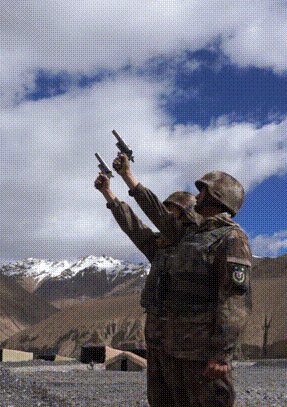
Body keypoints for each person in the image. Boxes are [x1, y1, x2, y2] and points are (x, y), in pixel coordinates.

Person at [112, 152, 252, 407]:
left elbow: (234, 301)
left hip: (201, 351)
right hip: (173, 346)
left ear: (217, 196)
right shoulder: (190, 237)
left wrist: (221, 353)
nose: (197, 195)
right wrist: (127, 178)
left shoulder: (231, 239)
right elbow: (154, 216)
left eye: (203, 191)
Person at [94, 171, 197, 406]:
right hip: (157, 335)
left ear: (187, 218)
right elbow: (133, 227)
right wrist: (108, 194)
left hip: (187, 337)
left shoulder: (194, 248)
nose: (166, 218)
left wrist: (127, 176)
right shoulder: (160, 248)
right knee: (159, 396)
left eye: (173, 213)